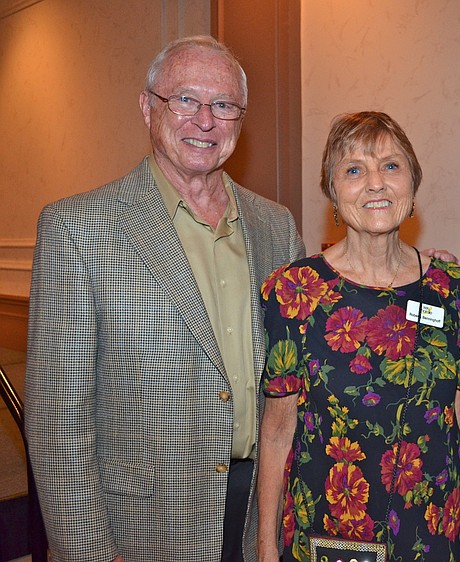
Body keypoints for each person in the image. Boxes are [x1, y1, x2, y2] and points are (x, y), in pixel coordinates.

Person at [25, 35, 305, 562]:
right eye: (185, 99)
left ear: (240, 121)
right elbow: (58, 422)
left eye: (223, 105)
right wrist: (87, 551)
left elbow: (302, 363)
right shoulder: (78, 228)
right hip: (143, 523)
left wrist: (408, 265)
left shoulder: (277, 226)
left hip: (260, 513)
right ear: (147, 107)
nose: (205, 121)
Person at [257, 111, 460, 562]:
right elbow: (277, 433)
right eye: (354, 170)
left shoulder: (452, 287)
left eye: (391, 166)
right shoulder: (296, 292)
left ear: (412, 184)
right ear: (332, 192)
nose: (376, 183)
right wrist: (265, 549)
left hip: (434, 534)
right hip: (329, 536)